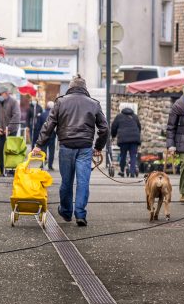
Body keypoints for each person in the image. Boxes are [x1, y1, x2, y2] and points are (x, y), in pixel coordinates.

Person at [33, 75, 108, 226]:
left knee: (66, 181)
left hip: (66, 145)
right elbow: (104, 128)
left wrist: (39, 145)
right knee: (83, 181)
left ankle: (66, 211)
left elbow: (49, 125)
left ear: (70, 87)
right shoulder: (94, 104)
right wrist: (98, 147)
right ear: (85, 88)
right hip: (85, 147)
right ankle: (80, 214)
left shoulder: (61, 102)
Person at [110, 106, 142, 178]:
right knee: (133, 155)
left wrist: (113, 135)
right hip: (134, 139)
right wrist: (136, 135)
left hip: (123, 139)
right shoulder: (135, 116)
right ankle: (132, 172)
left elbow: (114, 127)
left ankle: (121, 171)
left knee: (123, 155)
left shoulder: (119, 116)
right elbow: (139, 127)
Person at [0, 89, 21, 173]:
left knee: (11, 150)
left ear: (6, 93)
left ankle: (11, 170)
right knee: (0, 149)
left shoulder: (13, 102)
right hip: (1, 130)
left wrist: (9, 128)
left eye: (1, 93)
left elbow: (16, 116)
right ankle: (2, 169)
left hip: (11, 130)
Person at [36, 101, 56, 170]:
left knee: (43, 150)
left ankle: (43, 163)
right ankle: (50, 165)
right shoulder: (55, 114)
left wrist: (39, 135)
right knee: (51, 150)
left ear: (47, 106)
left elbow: (38, 126)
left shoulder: (42, 114)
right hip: (52, 135)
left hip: (43, 135)